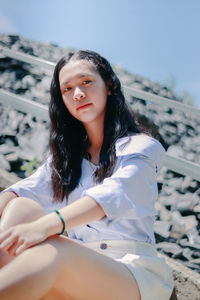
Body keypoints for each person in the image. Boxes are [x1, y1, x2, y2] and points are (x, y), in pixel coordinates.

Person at [0, 50, 174, 300]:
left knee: (53, 251)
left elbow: (113, 195)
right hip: (78, 269)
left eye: (86, 82)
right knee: (20, 208)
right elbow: (24, 190)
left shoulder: (141, 147)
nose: (77, 94)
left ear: (110, 85)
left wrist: (44, 227)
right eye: (67, 89)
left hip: (130, 272)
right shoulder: (67, 158)